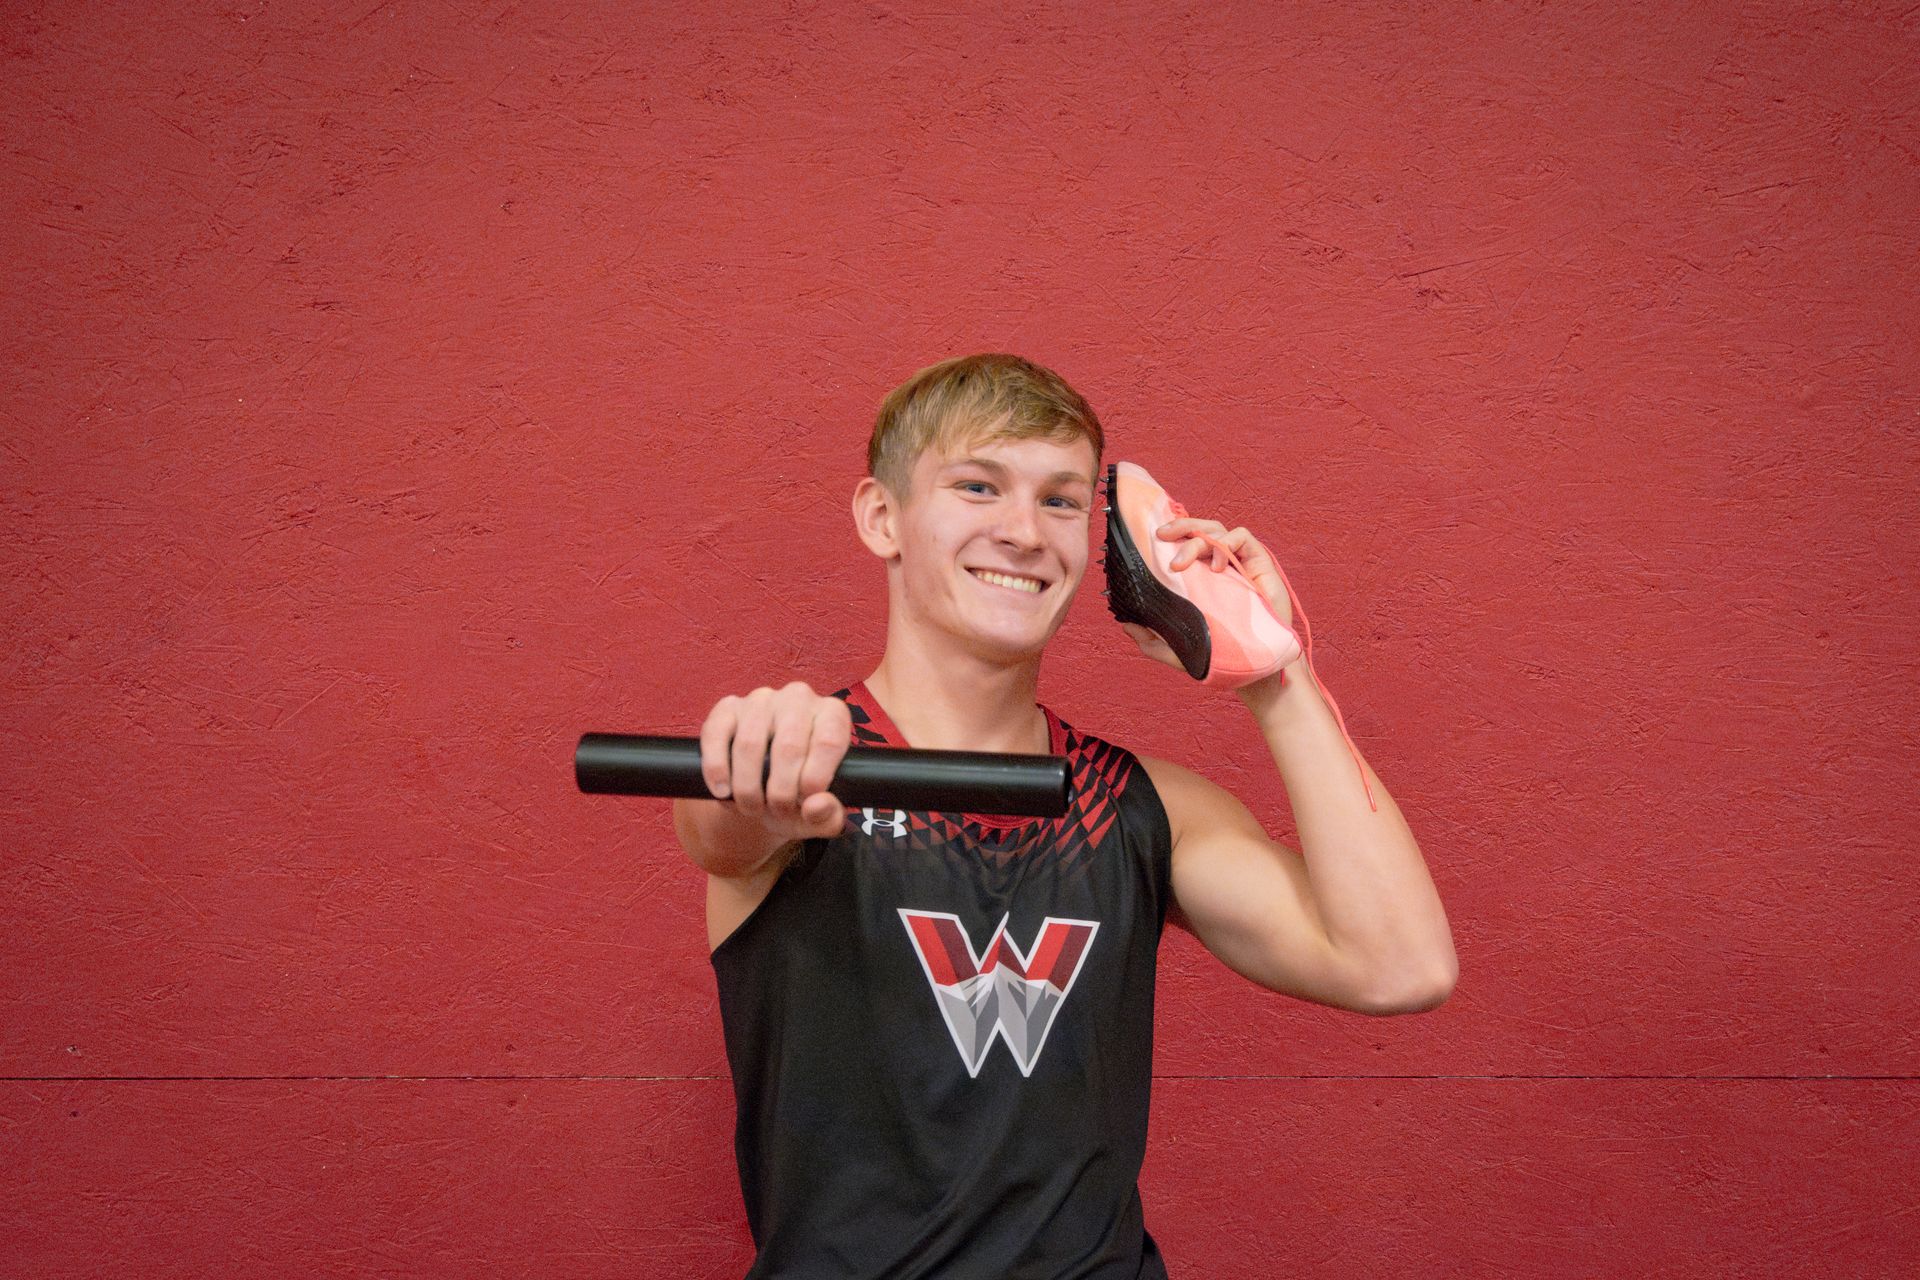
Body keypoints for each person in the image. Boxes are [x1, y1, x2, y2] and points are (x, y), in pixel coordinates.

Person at [673, 353, 1457, 1279]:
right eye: (977, 486)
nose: (1024, 532)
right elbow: (724, 831)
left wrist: (1276, 672)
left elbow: (1400, 966)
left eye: (1060, 501)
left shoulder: (1140, 806)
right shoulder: (799, 771)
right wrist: (759, 764)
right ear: (881, 517)